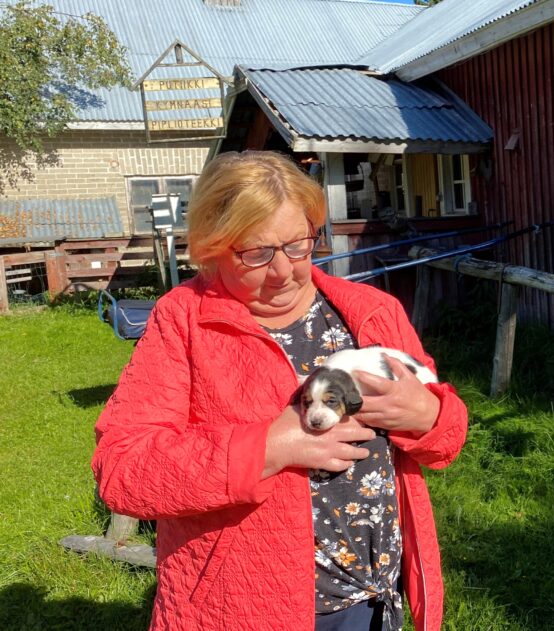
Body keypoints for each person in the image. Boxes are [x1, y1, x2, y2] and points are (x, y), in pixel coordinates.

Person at [92, 151, 468, 631]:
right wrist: (268, 446)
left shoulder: (373, 313)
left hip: (375, 597)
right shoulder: (183, 321)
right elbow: (123, 470)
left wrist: (428, 416)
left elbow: (448, 438)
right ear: (211, 246)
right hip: (243, 608)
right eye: (256, 253)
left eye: (298, 245)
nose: (284, 271)